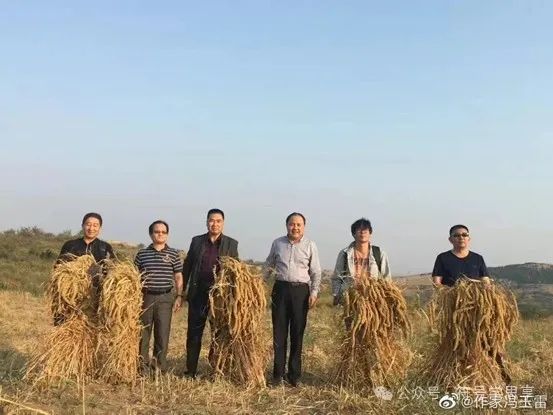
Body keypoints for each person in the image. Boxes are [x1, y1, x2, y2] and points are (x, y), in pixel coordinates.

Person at [432, 224, 509, 383]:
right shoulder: (443, 258)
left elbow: (485, 281)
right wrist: (450, 294)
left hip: (478, 308)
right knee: (457, 342)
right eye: (456, 235)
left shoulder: (477, 258)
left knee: (486, 339)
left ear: (469, 238)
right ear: (450, 239)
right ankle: (455, 377)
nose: (461, 237)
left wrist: (489, 294)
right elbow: (437, 282)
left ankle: (498, 373)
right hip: (454, 309)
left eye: (464, 234)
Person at [265, 212, 321, 387]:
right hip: (280, 290)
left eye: (298, 224)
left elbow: (316, 272)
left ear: (304, 227)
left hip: (300, 292)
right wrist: (258, 285)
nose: (295, 227)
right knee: (279, 334)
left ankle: (294, 376)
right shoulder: (278, 243)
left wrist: (314, 293)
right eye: (292, 224)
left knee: (297, 334)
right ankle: (278, 375)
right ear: (287, 225)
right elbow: (268, 266)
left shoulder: (310, 245)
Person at [182, 208, 239, 378]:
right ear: (207, 222)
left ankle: (217, 369)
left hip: (220, 297)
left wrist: (234, 296)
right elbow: (188, 266)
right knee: (194, 333)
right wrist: (182, 291)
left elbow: (235, 271)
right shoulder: (197, 241)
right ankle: (191, 370)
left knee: (219, 333)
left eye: (218, 221)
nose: (215, 224)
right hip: (198, 294)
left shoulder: (231, 244)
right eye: (212, 220)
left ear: (223, 223)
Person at [134, 220, 183, 374]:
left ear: (167, 235)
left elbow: (178, 277)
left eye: (163, 232)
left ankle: (159, 368)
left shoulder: (173, 254)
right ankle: (142, 368)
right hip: (145, 298)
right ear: (151, 234)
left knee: (162, 334)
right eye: (157, 232)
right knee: (143, 333)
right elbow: (134, 276)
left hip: (165, 298)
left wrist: (179, 296)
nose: (160, 234)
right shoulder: (142, 254)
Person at [55, 212, 115, 325]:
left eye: (95, 225)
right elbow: (58, 267)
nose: (91, 228)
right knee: (65, 325)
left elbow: (111, 271)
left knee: (90, 327)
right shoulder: (70, 245)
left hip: (94, 297)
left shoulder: (105, 247)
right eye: (88, 224)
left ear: (100, 228)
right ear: (82, 226)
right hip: (70, 296)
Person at [331, 218, 391, 306]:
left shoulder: (379, 253)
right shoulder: (345, 253)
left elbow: (386, 277)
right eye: (359, 230)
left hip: (373, 299)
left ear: (370, 233)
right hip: (350, 299)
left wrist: (386, 296)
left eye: (365, 230)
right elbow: (337, 277)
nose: (362, 232)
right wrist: (336, 294)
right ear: (353, 234)